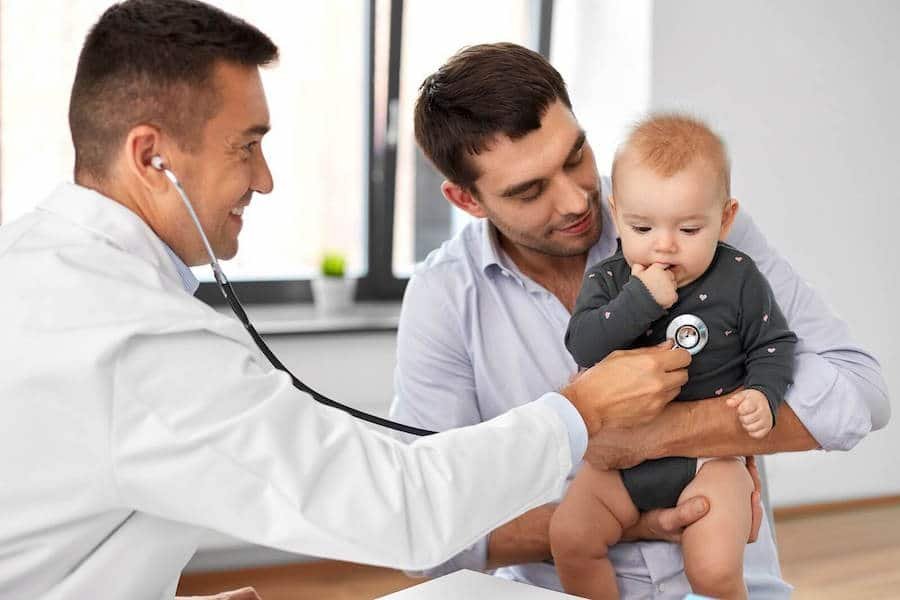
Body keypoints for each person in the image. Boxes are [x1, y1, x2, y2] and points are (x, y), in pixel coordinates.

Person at [0, 4, 695, 599]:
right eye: (246, 147)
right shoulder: (134, 342)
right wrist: (583, 410)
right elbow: (402, 509)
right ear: (150, 157)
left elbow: (49, 539)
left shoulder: (38, 269)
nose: (264, 180)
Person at [390, 42, 889, 597]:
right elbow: (423, 529)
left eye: (575, 156)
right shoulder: (444, 297)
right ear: (467, 200)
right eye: (530, 191)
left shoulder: (691, 221)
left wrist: (656, 435)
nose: (576, 201)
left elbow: (861, 391)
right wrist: (626, 522)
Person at [551, 114, 798, 599]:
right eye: (642, 227)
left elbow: (774, 343)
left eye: (688, 228)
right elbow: (583, 344)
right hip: (618, 466)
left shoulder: (739, 277)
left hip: (709, 461)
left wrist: (763, 394)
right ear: (616, 213)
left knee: (714, 568)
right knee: (570, 537)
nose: (663, 245)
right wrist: (640, 299)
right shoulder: (609, 280)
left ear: (725, 218)